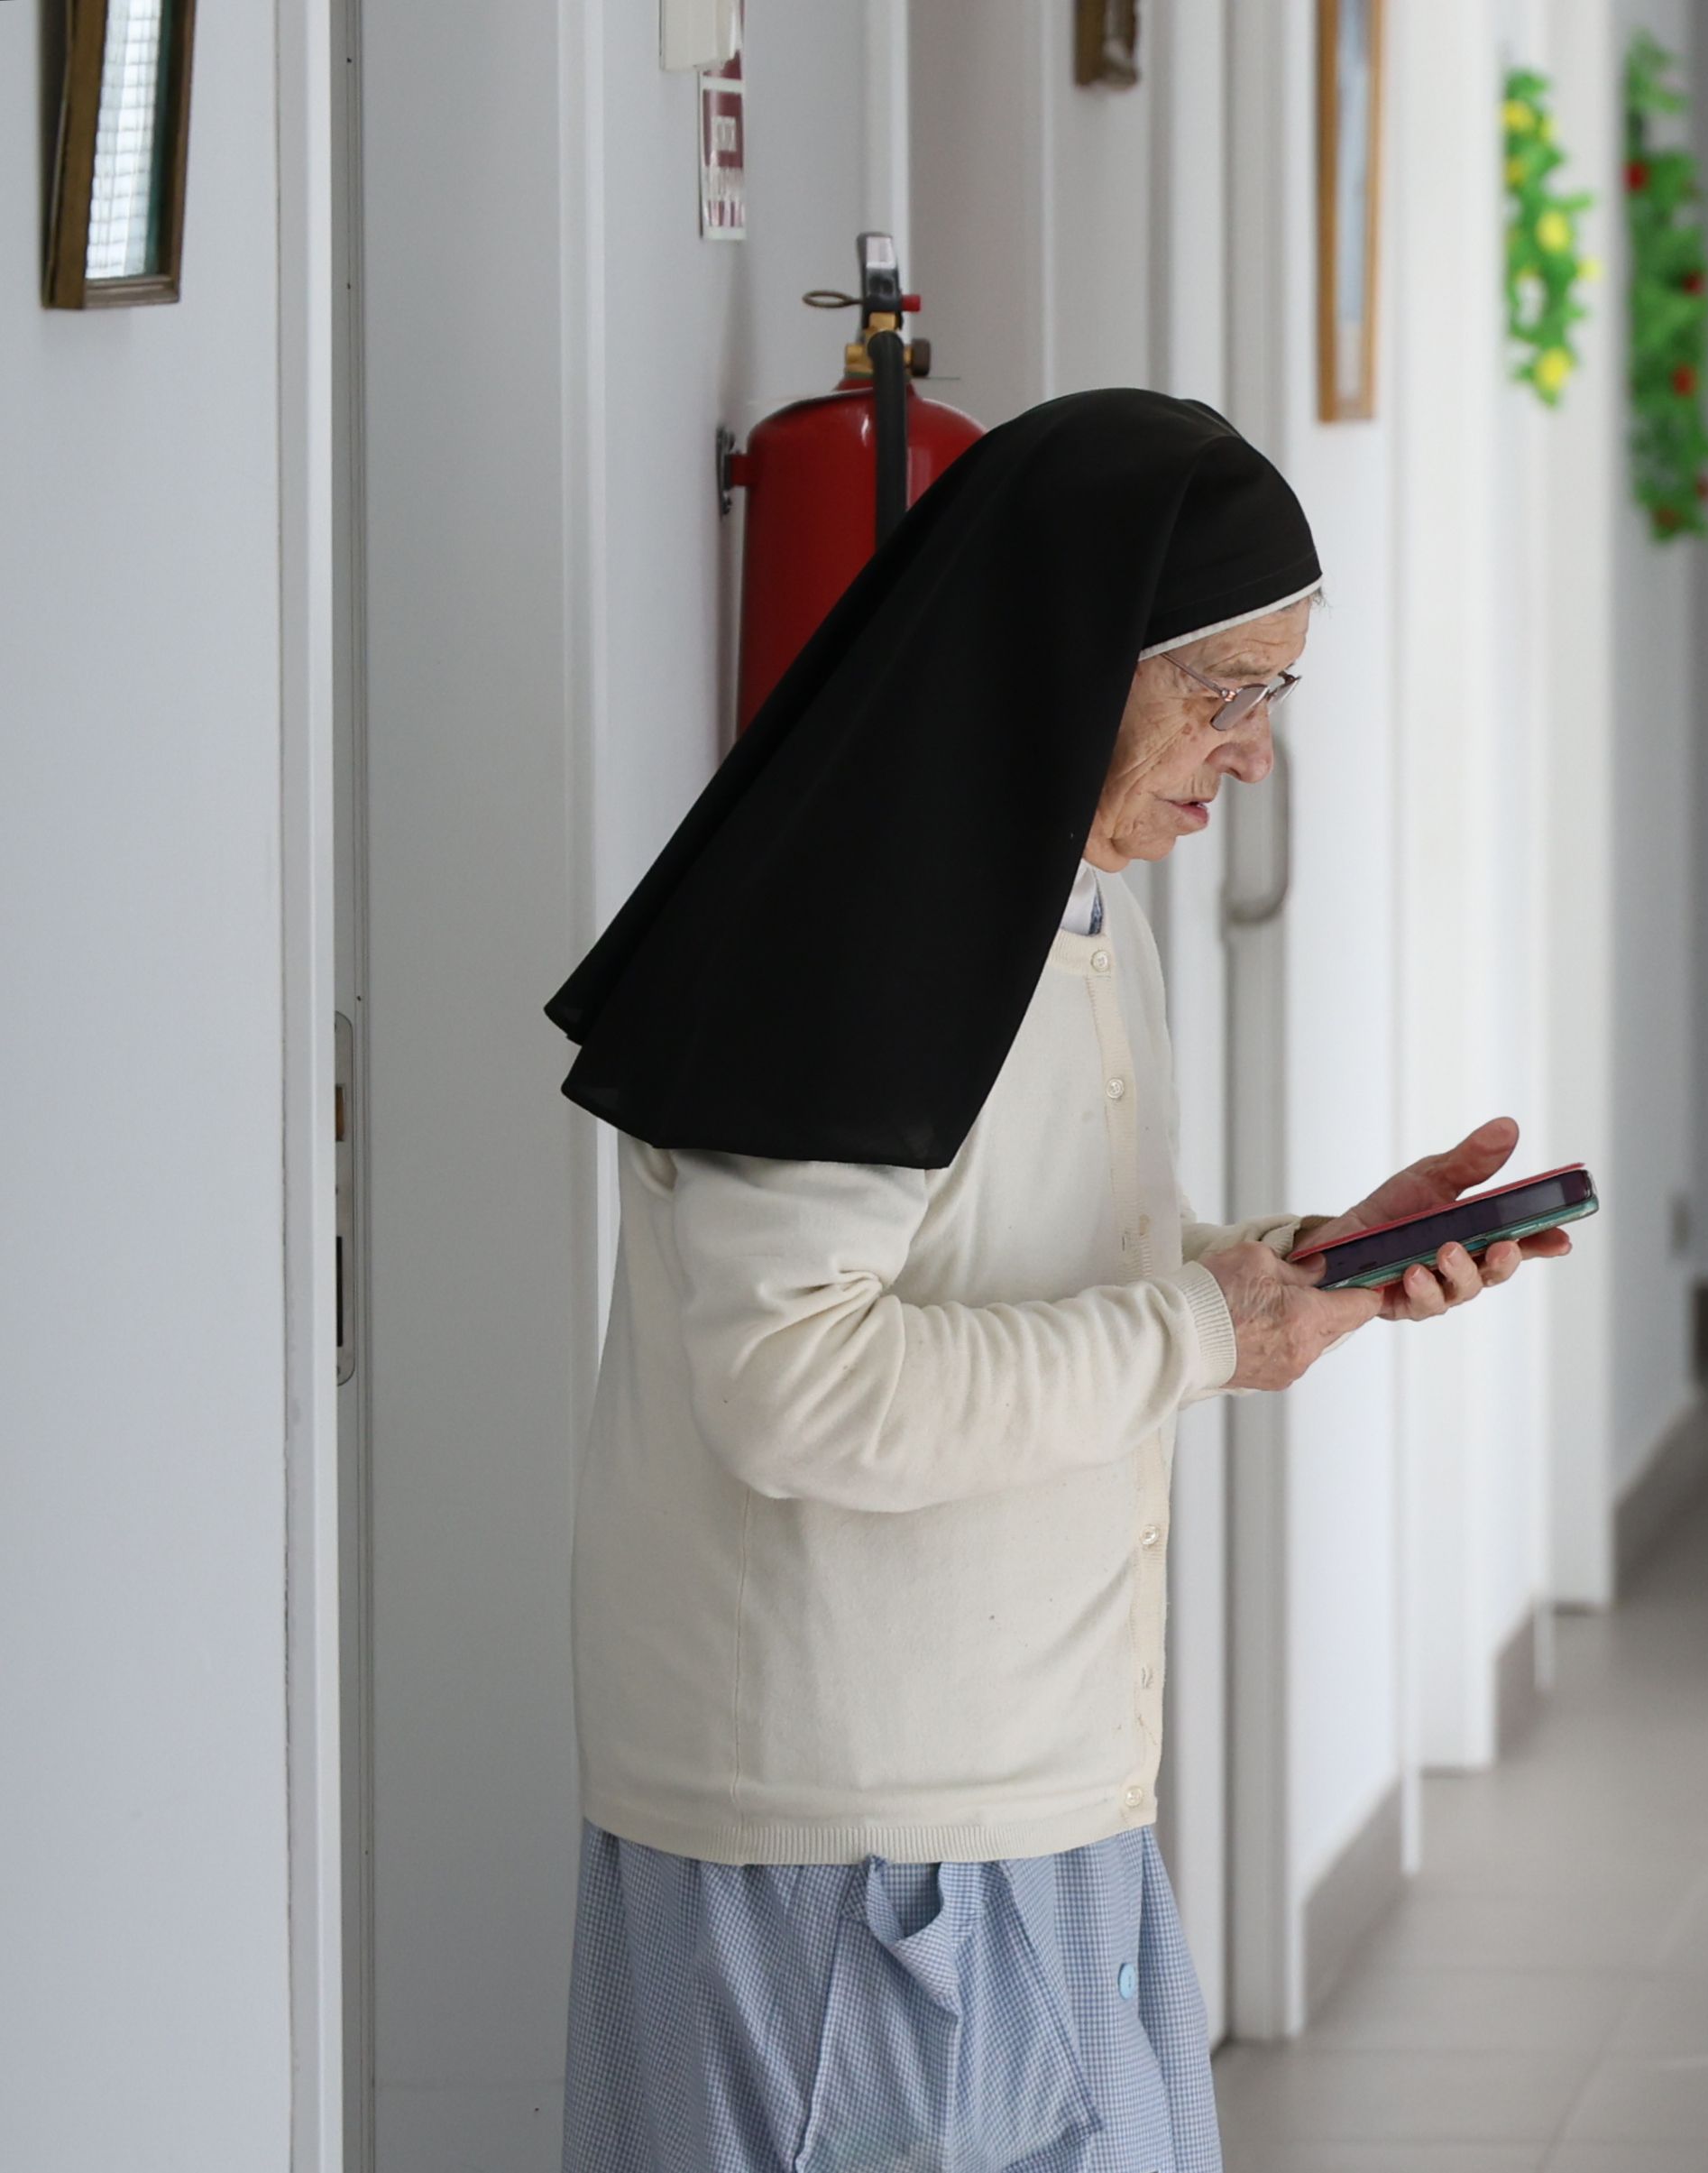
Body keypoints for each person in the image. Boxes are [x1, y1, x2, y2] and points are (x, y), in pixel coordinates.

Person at [541, 390, 1566, 2172]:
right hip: (857, 1835)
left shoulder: (1071, 905)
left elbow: (1016, 1256)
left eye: (1275, 698)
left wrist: (1284, 1268)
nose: (1252, 756)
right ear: (1073, 653)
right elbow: (797, 1386)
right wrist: (1203, 1328)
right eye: (1223, 691)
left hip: (1033, 1788)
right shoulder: (852, 927)